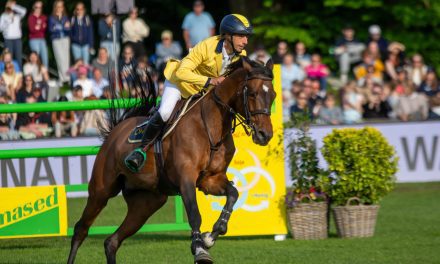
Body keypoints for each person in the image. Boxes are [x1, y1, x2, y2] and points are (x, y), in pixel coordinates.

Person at [125, 14, 253, 172]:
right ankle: (141, 151)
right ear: (227, 35)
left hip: (201, 92)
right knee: (165, 112)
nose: (245, 41)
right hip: (179, 84)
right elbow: (182, 72)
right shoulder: (206, 46)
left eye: (246, 37)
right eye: (241, 36)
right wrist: (209, 81)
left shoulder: (242, 56)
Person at [49, 0, 71, 83]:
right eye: (58, 6)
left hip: (65, 39)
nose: (59, 8)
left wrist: (58, 27)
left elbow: (68, 29)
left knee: (66, 58)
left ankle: (67, 78)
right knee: (59, 58)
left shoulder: (65, 17)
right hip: (56, 39)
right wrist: (63, 26)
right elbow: (51, 29)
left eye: (61, 6)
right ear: (55, 7)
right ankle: (62, 78)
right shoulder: (52, 18)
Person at [0, 1, 27, 68]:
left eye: (13, 5)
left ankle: (19, 75)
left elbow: (24, 11)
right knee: (8, 58)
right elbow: (0, 28)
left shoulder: (18, 15)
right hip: (8, 39)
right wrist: (8, 21)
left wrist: (13, 6)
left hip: (17, 39)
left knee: (18, 57)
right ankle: (8, 75)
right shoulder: (3, 15)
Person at [28, 1, 49, 68]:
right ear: (33, 7)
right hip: (33, 40)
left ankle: (45, 76)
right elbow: (32, 30)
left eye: (40, 7)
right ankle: (35, 77)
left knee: (45, 58)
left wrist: (38, 27)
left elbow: (44, 29)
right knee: (35, 59)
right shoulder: (31, 17)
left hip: (42, 39)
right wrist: (40, 27)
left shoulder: (44, 17)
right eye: (37, 7)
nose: (38, 9)